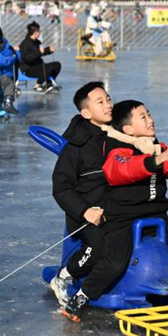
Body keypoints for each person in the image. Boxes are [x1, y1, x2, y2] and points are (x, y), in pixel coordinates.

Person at [60, 99, 168, 322]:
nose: (150, 119)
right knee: (114, 262)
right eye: (143, 117)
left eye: (149, 114)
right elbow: (121, 170)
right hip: (124, 218)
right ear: (128, 129)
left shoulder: (154, 146)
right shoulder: (118, 148)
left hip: (156, 216)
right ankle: (82, 297)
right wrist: (159, 158)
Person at [50, 82, 114, 307]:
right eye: (100, 102)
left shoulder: (118, 136)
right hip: (88, 212)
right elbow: (61, 187)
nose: (108, 105)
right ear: (86, 112)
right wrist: (85, 211)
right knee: (99, 248)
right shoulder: (75, 147)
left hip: (117, 208)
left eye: (108, 99)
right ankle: (64, 276)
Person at [19, 21, 61, 92]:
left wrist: (49, 50)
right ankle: (38, 84)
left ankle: (48, 83)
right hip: (29, 69)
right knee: (49, 67)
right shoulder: (25, 43)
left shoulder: (35, 42)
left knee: (57, 65)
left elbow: (41, 52)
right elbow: (27, 59)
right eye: (39, 31)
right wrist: (39, 52)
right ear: (35, 32)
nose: (40, 33)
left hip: (38, 66)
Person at [0, 25, 19, 114]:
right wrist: (13, 57)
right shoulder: (3, 46)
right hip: (0, 74)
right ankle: (8, 103)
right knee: (10, 83)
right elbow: (5, 61)